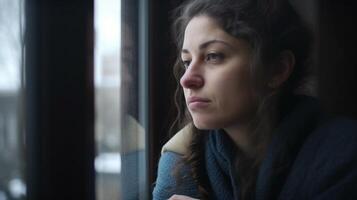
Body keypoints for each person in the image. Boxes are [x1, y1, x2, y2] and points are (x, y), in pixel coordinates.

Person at [152, 0, 357, 199]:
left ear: (277, 70)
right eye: (187, 62)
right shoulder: (181, 164)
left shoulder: (345, 154)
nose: (186, 79)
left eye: (213, 56)